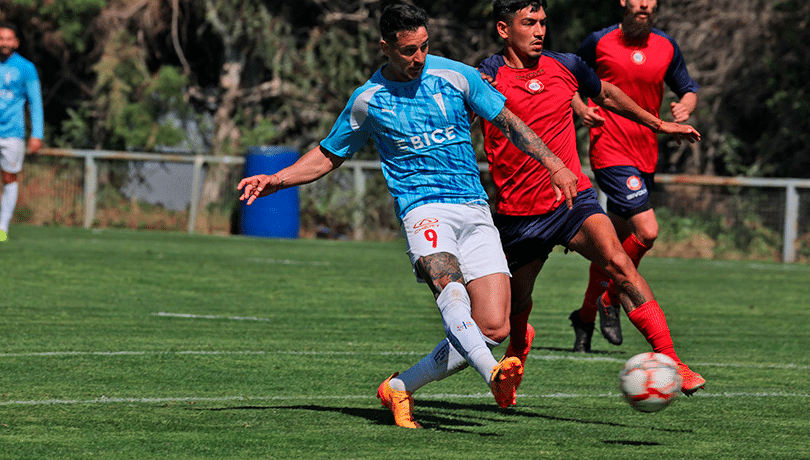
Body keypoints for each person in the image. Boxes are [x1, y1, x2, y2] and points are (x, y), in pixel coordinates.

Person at [238, 3, 579, 429]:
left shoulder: (457, 76)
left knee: (493, 325)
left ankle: (399, 387)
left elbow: (510, 122)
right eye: (407, 51)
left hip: (473, 208)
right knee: (448, 286)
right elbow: (328, 155)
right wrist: (278, 180)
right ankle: (491, 371)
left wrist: (555, 165)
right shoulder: (368, 100)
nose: (417, 58)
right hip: (423, 210)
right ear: (385, 47)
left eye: (423, 47)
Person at [478, 0, 705, 395]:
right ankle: (517, 352)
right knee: (515, 306)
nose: (538, 31)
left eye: (543, 23)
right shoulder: (485, 76)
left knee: (619, 263)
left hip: (572, 202)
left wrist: (659, 123)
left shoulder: (566, 65)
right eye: (528, 23)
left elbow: (609, 95)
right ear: (503, 29)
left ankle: (672, 359)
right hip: (518, 214)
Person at [571, 0, 699, 349]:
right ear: (624, 1)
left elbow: (687, 88)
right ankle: (611, 298)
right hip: (610, 149)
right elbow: (568, 80)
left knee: (612, 244)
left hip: (646, 154)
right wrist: (582, 107)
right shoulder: (599, 42)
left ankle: (584, 317)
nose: (645, 3)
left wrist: (685, 105)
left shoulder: (666, 45)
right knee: (648, 230)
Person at [0, 21, 43, 236]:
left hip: (13, 133)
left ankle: (2, 228)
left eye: (8, 38)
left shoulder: (26, 68)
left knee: (9, 177)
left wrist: (37, 133)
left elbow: (35, 102)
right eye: (1, 38)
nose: (4, 43)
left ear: (15, 42)